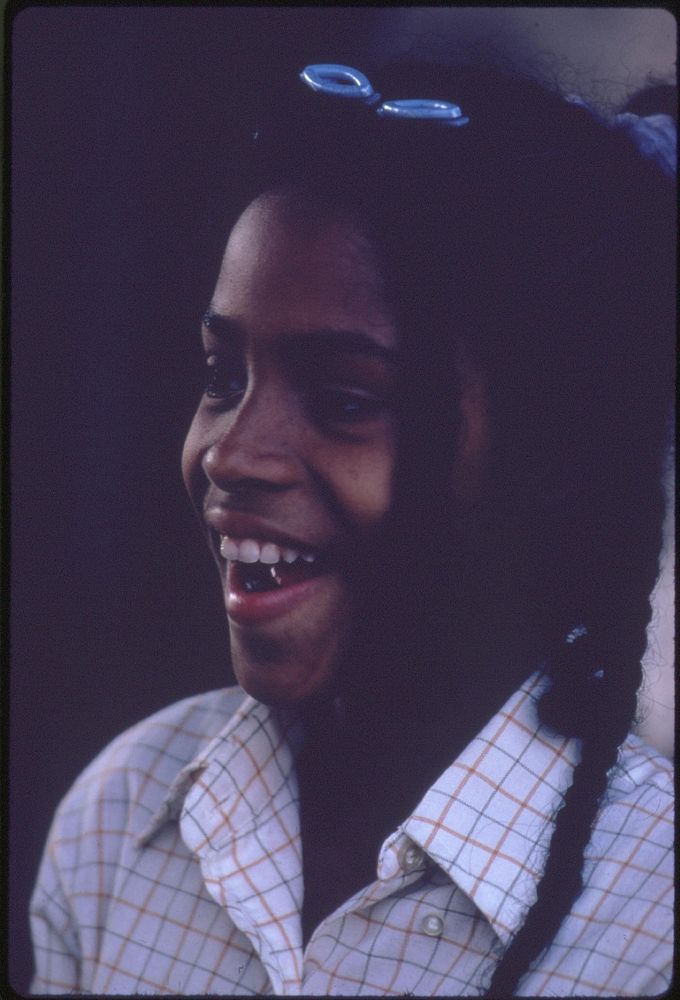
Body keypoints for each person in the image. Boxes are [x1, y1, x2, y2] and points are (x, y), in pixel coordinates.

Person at [30, 60, 674, 996]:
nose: (232, 453)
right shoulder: (120, 821)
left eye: (343, 398)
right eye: (222, 377)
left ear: (548, 456)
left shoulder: (651, 923)